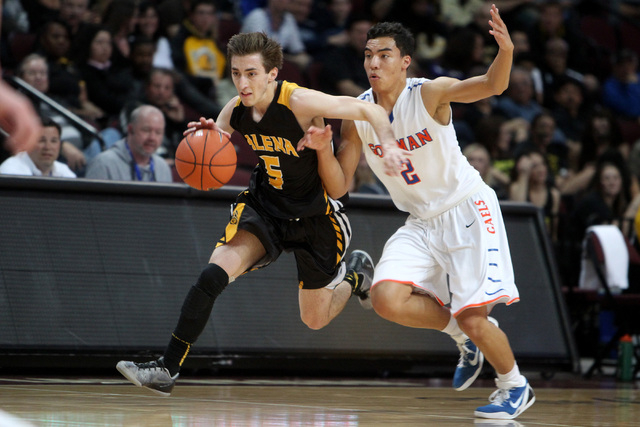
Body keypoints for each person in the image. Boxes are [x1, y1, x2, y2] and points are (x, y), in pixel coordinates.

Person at [115, 31, 401, 396]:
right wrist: (206, 140)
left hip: (313, 216)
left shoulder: (299, 101)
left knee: (314, 320)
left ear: (273, 74)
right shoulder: (234, 109)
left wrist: (389, 146)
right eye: (236, 73)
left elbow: (370, 109)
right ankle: (167, 368)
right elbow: (213, 144)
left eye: (251, 73)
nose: (242, 82)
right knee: (212, 275)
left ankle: (356, 276)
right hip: (266, 208)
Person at [297, 6, 535, 420]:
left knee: (477, 318)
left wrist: (506, 50)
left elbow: (493, 85)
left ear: (405, 61)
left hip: (467, 209)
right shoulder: (359, 113)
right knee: (385, 298)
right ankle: (461, 335)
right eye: (369, 54)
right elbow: (341, 184)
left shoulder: (429, 93)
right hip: (421, 222)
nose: (373, 62)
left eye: (384, 54)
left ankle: (514, 385)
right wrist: (322, 151)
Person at [85, 105, 172, 182]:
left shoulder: (163, 167)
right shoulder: (103, 164)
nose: (152, 138)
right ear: (130, 130)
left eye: (158, 132)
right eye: (146, 130)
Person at [0, 117, 76, 178]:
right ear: (29, 142)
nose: (48, 147)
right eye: (41, 140)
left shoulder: (64, 171)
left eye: (53, 141)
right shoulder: (10, 171)